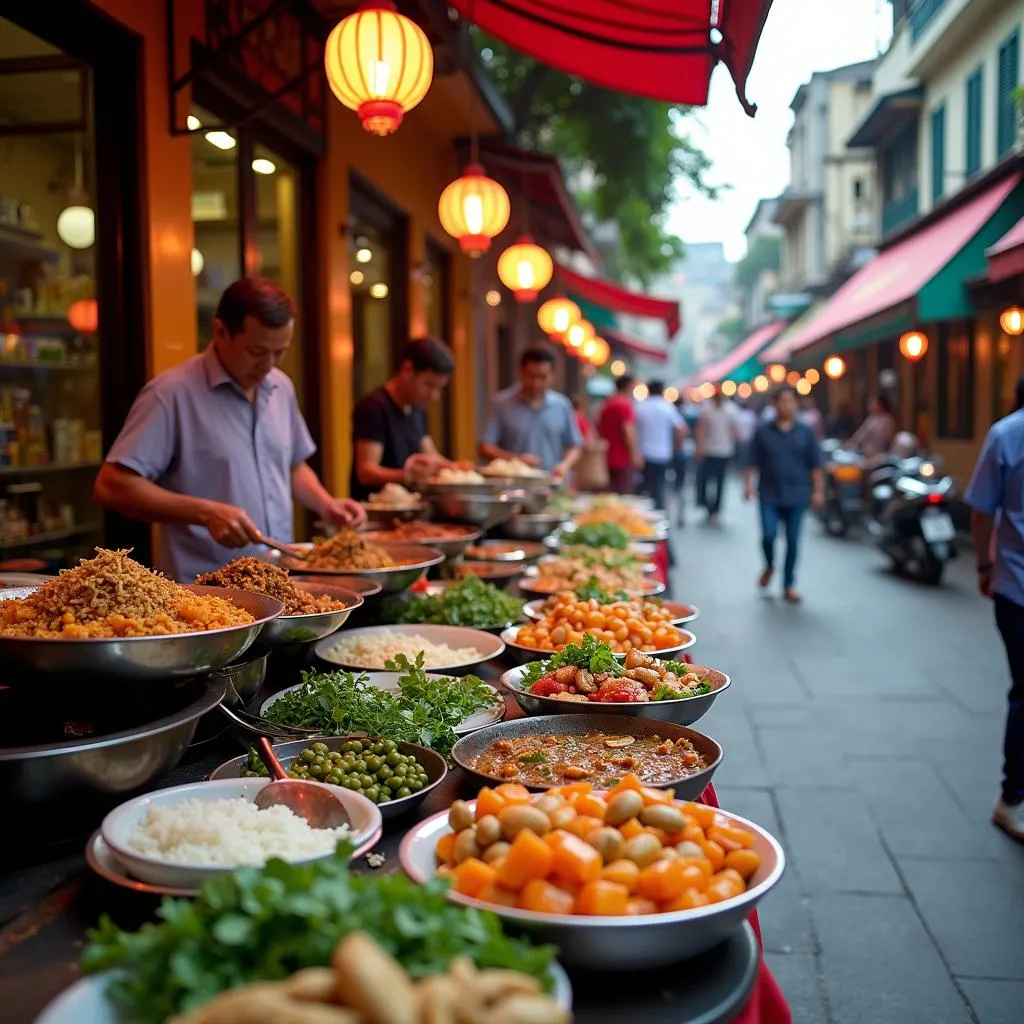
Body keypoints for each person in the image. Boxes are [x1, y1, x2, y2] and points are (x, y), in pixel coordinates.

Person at [94, 278, 365, 581]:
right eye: (257, 351)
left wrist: (327, 505)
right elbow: (112, 485)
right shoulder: (171, 393)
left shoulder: (281, 386)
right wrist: (205, 513)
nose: (268, 364)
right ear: (220, 331)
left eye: (280, 352)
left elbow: (291, 466)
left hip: (280, 581)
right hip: (204, 594)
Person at [965, 376, 1024, 842]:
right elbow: (982, 509)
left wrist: (984, 563)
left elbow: (982, 510)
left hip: (1012, 581)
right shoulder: (1006, 436)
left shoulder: (1005, 434)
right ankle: (1013, 797)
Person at [350, 336, 459, 501]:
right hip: (377, 511)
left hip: (409, 509)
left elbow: (430, 455)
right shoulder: (374, 407)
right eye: (429, 385)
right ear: (408, 370)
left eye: (439, 388)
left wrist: (458, 469)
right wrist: (408, 476)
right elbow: (366, 471)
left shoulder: (417, 409)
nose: (434, 396)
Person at [744, 386, 824, 603]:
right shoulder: (763, 430)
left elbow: (815, 464)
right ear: (775, 404)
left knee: (792, 540)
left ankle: (789, 583)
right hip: (769, 492)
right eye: (782, 401)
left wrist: (818, 490)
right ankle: (769, 564)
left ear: (797, 404)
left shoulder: (805, 432)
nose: (786, 405)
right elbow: (752, 460)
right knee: (768, 535)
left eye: (790, 401)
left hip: (797, 492)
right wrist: (747, 485)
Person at [479, 345, 582, 480]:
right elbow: (485, 447)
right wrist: (516, 459)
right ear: (520, 372)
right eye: (531, 376)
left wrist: (564, 465)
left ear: (552, 376)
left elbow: (575, 445)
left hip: (551, 485)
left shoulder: (562, 405)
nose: (536, 383)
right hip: (511, 485)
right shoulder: (501, 404)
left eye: (542, 377)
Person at [635, 381, 687, 511]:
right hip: (663, 454)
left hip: (644, 453)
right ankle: (658, 513)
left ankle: (645, 512)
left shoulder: (641, 407)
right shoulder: (667, 407)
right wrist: (676, 448)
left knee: (645, 485)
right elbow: (681, 429)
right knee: (659, 486)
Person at [696, 385, 740, 523]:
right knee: (706, 480)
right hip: (709, 451)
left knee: (720, 482)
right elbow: (701, 430)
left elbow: (736, 432)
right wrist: (700, 448)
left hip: (724, 451)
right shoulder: (707, 409)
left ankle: (716, 510)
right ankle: (706, 505)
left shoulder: (731, 410)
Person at [596, 374, 642, 494]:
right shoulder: (625, 405)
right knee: (624, 496)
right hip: (622, 458)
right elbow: (628, 431)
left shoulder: (606, 404)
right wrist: (634, 454)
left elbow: (598, 428)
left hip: (605, 457)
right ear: (628, 386)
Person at [735, 399, 759, 472]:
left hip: (749, 440)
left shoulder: (750, 414)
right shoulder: (739, 414)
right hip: (742, 439)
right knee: (742, 456)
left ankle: (746, 469)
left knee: (747, 457)